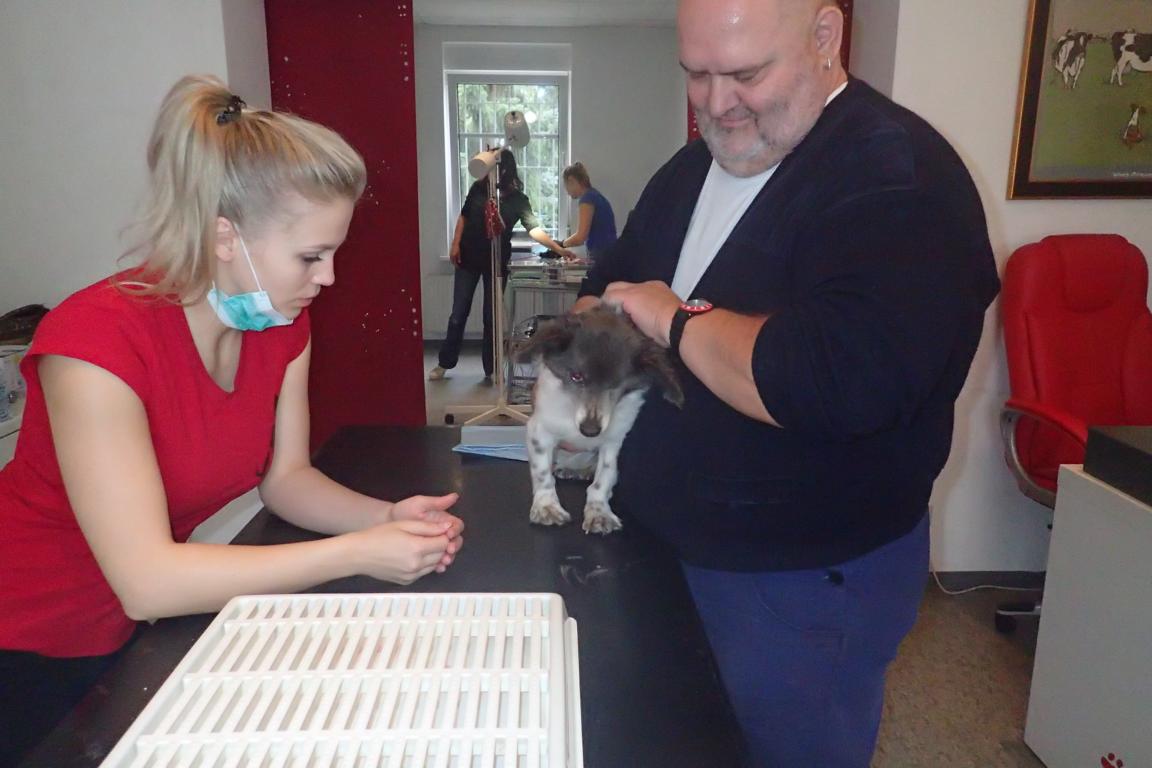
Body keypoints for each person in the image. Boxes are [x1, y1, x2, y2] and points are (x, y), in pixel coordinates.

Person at [572, 0, 1000, 765]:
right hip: (663, 545)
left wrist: (673, 318)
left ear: (825, 37)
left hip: (796, 582)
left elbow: (828, 380)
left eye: (745, 73)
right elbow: (608, 285)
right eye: (697, 74)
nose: (716, 104)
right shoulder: (694, 167)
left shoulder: (898, 176)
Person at [0, 75, 464, 766]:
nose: (328, 278)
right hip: (24, 632)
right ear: (225, 237)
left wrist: (384, 518)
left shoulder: (281, 326)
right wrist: (358, 553)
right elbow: (148, 580)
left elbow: (286, 479)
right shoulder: (93, 344)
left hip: (128, 629)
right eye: (311, 256)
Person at [429, 150, 567, 381]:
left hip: (495, 262)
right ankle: (445, 363)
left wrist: (559, 249)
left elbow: (534, 229)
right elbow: (464, 216)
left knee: (490, 317)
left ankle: (491, 369)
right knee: (458, 314)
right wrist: (455, 244)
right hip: (467, 259)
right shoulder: (478, 189)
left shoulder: (518, 199)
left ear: (504, 169)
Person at [559, 162, 617, 262]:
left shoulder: (588, 199)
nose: (567, 192)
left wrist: (561, 245)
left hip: (603, 257)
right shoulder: (595, 195)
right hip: (608, 255)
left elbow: (580, 237)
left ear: (571, 180)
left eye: (566, 186)